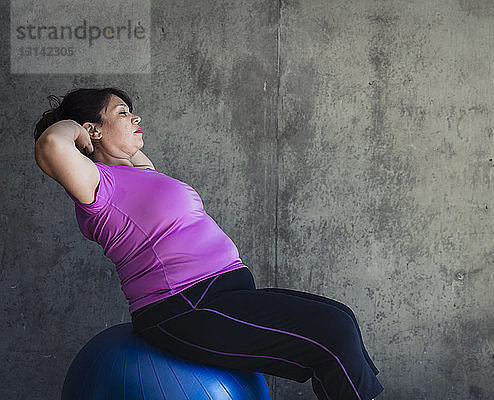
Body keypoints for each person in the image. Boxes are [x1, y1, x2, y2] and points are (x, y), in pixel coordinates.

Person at [33, 87, 384, 400]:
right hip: (184, 307)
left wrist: (108, 131)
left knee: (342, 317)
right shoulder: (97, 185)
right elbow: (51, 145)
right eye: (122, 112)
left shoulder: (137, 171)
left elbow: (126, 153)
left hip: (222, 293)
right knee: (332, 332)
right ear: (92, 129)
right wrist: (75, 128)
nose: (135, 116)